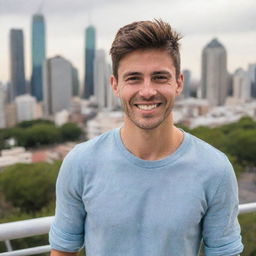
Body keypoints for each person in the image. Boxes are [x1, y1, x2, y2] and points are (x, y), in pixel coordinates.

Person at [49, 19, 243, 256]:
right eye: (134, 78)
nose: (148, 91)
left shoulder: (215, 169)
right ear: (115, 85)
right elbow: (62, 251)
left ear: (179, 83)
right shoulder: (80, 162)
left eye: (160, 77)